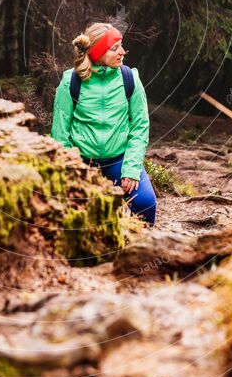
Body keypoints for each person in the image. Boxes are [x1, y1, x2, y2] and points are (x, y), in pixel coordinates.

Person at [50, 22, 157, 225]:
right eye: (114, 47)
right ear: (97, 52)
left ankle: (141, 250)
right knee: (74, 212)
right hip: (81, 163)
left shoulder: (130, 79)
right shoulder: (70, 82)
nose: (123, 52)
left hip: (119, 160)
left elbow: (140, 127)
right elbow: (60, 134)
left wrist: (131, 170)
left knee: (145, 203)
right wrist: (69, 170)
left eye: (121, 45)